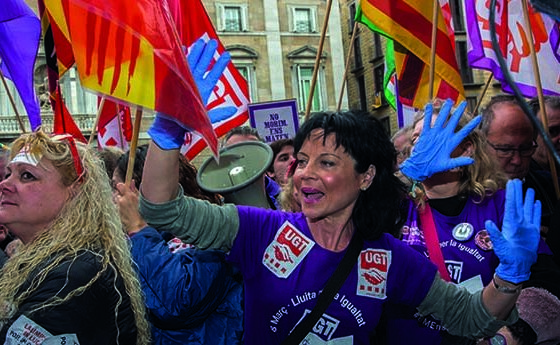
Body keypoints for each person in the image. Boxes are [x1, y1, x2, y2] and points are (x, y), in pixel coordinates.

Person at [136, 95, 540, 343]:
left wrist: (509, 276)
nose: (305, 173)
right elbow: (161, 209)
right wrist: (168, 133)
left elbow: (473, 319)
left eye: (326, 162)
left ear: (366, 177)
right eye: (303, 160)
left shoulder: (392, 259)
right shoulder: (259, 231)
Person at [382, 100, 558, 345]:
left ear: (466, 149)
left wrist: (506, 338)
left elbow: (547, 286)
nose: (422, 145)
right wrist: (408, 175)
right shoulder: (396, 206)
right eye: (417, 140)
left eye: (435, 138)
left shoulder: (499, 204)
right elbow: (350, 214)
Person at [0, 131, 150, 344]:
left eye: (27, 175)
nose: (4, 185)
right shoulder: (48, 260)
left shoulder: (75, 274)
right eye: (8, 174)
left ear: (74, 191)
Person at [113, 140, 243, 344]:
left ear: (137, 190)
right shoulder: (147, 236)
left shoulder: (205, 231)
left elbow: (177, 301)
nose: (114, 199)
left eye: (117, 189)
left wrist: (138, 229)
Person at [480, 95, 557, 234]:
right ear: (482, 144)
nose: (517, 160)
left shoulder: (551, 186)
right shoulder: (461, 191)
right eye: (505, 150)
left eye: (526, 148)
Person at [221, 126, 282, 209]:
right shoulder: (216, 207)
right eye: (235, 153)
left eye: (252, 152)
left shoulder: (289, 199)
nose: (243, 159)